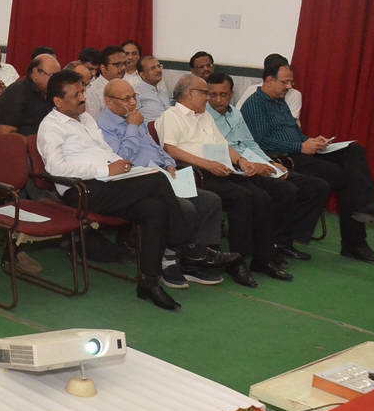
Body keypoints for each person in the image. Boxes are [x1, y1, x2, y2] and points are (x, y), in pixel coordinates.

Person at [37, 70, 238, 311]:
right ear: (58, 101)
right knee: (156, 179)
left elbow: (104, 151)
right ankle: (190, 247)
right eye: (76, 95)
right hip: (81, 190)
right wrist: (105, 169)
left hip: (109, 181)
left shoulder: (86, 119)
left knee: (155, 208)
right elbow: (55, 167)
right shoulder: (50, 126)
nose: (82, 98)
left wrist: (120, 165)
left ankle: (148, 283)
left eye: (82, 92)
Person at [241, 60, 374, 264]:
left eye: (291, 82)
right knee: (346, 178)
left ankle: (364, 205)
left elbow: (295, 133)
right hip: (284, 157)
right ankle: (354, 242)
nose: (289, 86)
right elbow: (260, 141)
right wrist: (300, 146)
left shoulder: (280, 101)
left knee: (354, 150)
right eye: (285, 82)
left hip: (301, 150)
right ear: (269, 80)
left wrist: (312, 141)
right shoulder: (255, 104)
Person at [156, 74, 292, 285]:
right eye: (205, 93)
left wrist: (241, 160)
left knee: (262, 197)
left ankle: (263, 259)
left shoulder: (204, 116)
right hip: (196, 173)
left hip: (221, 168)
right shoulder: (171, 115)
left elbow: (223, 145)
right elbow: (170, 150)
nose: (208, 98)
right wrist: (207, 164)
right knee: (241, 197)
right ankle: (237, 261)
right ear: (190, 93)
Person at [97, 77, 230, 289]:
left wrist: (169, 163)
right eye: (126, 99)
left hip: (162, 174)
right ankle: (170, 260)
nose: (132, 102)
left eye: (134, 97)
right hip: (139, 181)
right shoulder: (103, 126)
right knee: (185, 207)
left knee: (210, 201)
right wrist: (132, 126)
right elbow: (122, 159)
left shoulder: (133, 116)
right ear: (109, 102)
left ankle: (194, 261)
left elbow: (155, 147)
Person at [207, 72, 328, 263]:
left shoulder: (235, 113)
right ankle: (271, 245)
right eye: (213, 94)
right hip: (235, 166)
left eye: (224, 94)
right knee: (285, 190)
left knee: (315, 186)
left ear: (231, 94)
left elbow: (250, 143)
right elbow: (218, 151)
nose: (218, 99)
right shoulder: (204, 116)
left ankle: (282, 242)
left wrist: (269, 162)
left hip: (254, 159)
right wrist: (255, 165)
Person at [0, 54, 58, 135]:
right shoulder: (16, 92)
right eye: (52, 76)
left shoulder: (52, 92)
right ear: (35, 72)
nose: (56, 81)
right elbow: (6, 133)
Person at [235, 53, 303, 120]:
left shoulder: (294, 94)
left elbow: (291, 123)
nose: (289, 86)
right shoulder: (252, 91)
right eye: (284, 82)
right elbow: (237, 115)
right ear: (269, 78)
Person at [85, 45, 127, 118]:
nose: (123, 67)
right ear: (103, 68)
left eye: (124, 63)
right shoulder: (92, 91)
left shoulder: (127, 85)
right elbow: (94, 121)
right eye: (117, 65)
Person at [132, 55, 172, 122]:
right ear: (142, 75)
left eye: (159, 66)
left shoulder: (163, 91)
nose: (158, 70)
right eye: (153, 68)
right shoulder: (136, 93)